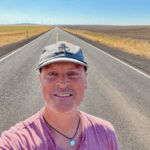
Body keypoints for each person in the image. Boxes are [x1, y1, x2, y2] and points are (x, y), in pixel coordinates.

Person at [0, 41, 120, 150]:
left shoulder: (105, 133)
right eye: (52, 73)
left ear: (85, 80)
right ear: (40, 80)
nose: (63, 83)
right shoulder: (17, 142)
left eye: (72, 73)